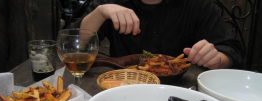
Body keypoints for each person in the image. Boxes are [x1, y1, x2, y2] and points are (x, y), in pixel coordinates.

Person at [70, 0, 244, 69]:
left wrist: (218, 58)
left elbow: (232, 50)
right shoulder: (110, 1)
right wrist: (100, 13)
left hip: (180, 91)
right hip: (122, 87)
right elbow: (73, 45)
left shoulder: (197, 4)